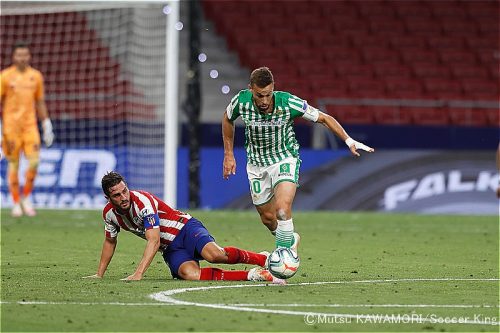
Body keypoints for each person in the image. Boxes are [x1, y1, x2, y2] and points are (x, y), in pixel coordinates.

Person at [222, 67, 374, 250]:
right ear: (250, 89)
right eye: (259, 95)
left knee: (282, 210)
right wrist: (228, 154)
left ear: (273, 88)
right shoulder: (241, 101)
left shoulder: (288, 102)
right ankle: (289, 240)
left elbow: (324, 118)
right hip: (257, 165)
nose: (264, 100)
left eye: (268, 95)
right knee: (268, 218)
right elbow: (227, 118)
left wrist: (349, 140)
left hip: (285, 158)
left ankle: (284, 256)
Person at [83, 171, 284, 284]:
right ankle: (253, 275)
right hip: (170, 248)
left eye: (124, 191)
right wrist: (100, 274)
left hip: (186, 229)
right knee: (191, 275)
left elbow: (154, 240)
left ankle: (264, 258)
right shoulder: (109, 214)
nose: (124, 197)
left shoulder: (142, 202)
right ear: (108, 198)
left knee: (214, 255)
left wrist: (139, 273)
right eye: (117, 195)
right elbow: (110, 241)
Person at [0, 42, 54, 217]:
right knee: (13, 164)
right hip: (11, 128)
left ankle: (27, 197)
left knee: (34, 162)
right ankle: (16, 202)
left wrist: (46, 124)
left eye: (25, 55)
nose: (22, 58)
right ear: (13, 57)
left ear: (29, 56)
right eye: (19, 55)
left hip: (30, 127)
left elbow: (39, 101)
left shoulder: (35, 76)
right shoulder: (5, 76)